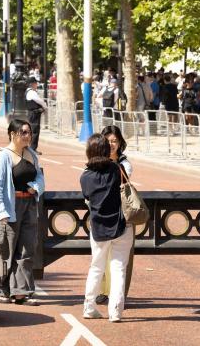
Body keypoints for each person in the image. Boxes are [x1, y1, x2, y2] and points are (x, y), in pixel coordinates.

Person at [0, 118, 45, 305]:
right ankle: (4, 290)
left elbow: (40, 177)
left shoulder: (31, 155)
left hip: (29, 205)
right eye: (24, 132)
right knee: (7, 250)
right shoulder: (3, 157)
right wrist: (2, 212)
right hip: (10, 208)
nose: (28, 136)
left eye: (30, 132)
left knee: (27, 248)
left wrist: (35, 187)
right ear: (13, 134)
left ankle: (20, 292)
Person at [81, 133, 134, 322]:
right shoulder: (116, 169)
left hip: (98, 228)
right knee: (119, 268)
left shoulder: (85, 176)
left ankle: (89, 307)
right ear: (105, 150)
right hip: (121, 225)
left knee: (96, 267)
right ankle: (116, 311)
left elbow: (87, 198)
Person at [96, 125, 135, 305]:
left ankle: (117, 296)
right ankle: (102, 291)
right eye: (108, 141)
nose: (111, 145)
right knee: (101, 256)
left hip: (121, 215)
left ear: (120, 143)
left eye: (114, 141)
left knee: (119, 259)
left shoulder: (124, 163)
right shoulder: (96, 161)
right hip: (101, 214)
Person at [25, 78, 48, 153]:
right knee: (35, 131)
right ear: (32, 84)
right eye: (35, 83)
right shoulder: (32, 92)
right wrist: (45, 106)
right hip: (34, 113)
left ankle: (31, 148)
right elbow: (39, 101)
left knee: (33, 131)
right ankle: (32, 149)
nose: (36, 85)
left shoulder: (28, 92)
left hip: (32, 113)